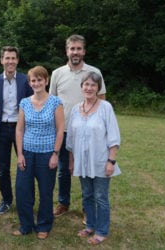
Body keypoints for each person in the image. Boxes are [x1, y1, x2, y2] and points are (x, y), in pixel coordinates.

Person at [49, 34, 106, 221]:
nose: (75, 52)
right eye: (72, 48)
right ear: (67, 51)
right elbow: (52, 102)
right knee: (64, 170)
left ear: (84, 51)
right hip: (63, 131)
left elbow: (102, 102)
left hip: (87, 132)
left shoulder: (94, 72)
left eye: (79, 48)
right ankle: (63, 203)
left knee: (86, 169)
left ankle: (86, 207)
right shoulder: (57, 73)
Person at [66, 71, 121, 245]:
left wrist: (111, 161)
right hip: (81, 162)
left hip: (100, 161)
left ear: (98, 88)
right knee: (87, 195)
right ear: (81, 87)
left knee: (100, 197)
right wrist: (71, 161)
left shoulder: (106, 107)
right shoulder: (76, 109)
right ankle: (90, 225)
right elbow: (71, 139)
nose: (89, 88)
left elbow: (114, 136)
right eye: (86, 84)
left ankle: (102, 231)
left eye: (93, 85)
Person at [14, 66, 64, 240]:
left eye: (39, 79)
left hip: (47, 154)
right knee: (22, 191)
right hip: (27, 153)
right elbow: (19, 130)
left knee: (45, 192)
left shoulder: (55, 102)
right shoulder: (24, 103)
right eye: (33, 80)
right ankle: (26, 225)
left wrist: (55, 154)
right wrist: (19, 154)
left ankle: (43, 225)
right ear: (29, 83)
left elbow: (60, 130)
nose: (36, 83)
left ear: (46, 81)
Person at [0, 46, 33, 215]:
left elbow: (32, 103)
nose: (10, 61)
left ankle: (27, 201)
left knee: (25, 165)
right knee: (3, 169)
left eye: (13, 58)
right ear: (1, 60)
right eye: (7, 58)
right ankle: (6, 200)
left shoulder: (25, 80)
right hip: (2, 129)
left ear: (17, 60)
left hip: (21, 129)